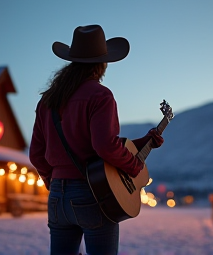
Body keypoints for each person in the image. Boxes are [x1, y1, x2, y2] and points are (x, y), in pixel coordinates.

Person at [29, 24, 164, 255]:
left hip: (57, 198)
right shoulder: (101, 96)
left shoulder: (47, 101)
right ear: (101, 64)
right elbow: (104, 146)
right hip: (92, 196)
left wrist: (54, 182)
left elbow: (36, 154)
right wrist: (134, 165)